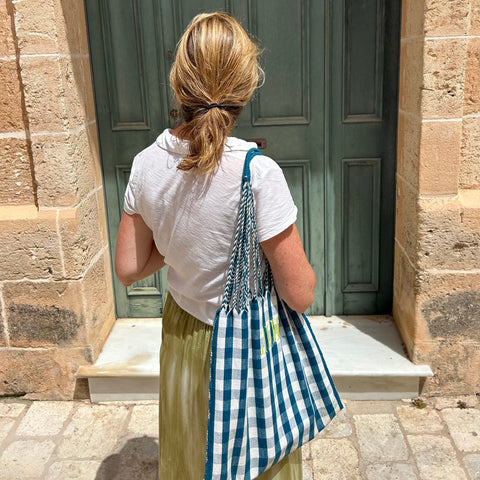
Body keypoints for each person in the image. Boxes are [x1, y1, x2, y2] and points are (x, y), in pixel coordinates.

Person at [115, 12, 316, 480]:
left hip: (184, 333)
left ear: (179, 82)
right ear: (246, 85)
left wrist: (172, 242)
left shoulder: (146, 165)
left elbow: (128, 268)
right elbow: (300, 294)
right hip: (248, 344)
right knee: (255, 459)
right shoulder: (258, 173)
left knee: (193, 455)